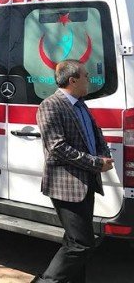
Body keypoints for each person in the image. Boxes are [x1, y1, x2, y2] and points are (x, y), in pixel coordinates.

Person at [34, 60, 114, 283]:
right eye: (86, 76)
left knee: (74, 241)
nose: (89, 79)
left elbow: (95, 135)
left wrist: (103, 154)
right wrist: (96, 163)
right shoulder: (51, 105)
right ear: (73, 80)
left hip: (86, 182)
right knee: (82, 244)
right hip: (65, 186)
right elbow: (58, 148)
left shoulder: (80, 104)